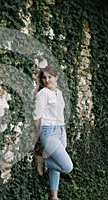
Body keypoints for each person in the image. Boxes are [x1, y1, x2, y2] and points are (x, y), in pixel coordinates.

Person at [33, 66, 73, 200]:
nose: (46, 80)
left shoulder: (59, 93)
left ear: (56, 77)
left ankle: (54, 196)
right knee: (67, 167)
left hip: (61, 131)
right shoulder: (42, 93)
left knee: (56, 165)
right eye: (44, 77)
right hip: (48, 132)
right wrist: (37, 136)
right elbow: (37, 116)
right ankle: (42, 161)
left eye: (49, 77)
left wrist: (63, 131)